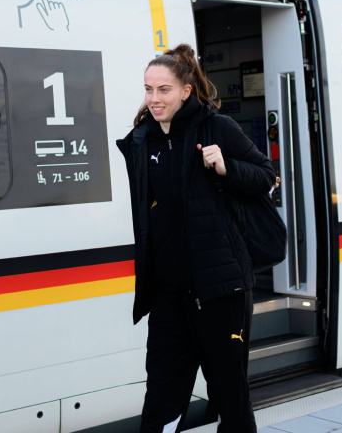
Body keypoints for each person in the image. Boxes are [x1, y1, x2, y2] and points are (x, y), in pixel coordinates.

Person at [117, 43, 275, 433]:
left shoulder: (216, 127)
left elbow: (265, 175)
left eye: (164, 89)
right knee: (160, 404)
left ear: (186, 90)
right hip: (168, 296)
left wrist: (226, 167)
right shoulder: (141, 141)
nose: (154, 98)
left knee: (231, 401)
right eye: (148, 89)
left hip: (220, 291)